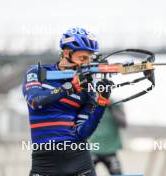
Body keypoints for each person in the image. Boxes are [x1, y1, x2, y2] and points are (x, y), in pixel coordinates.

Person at [22, 27, 113, 176]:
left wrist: (101, 103)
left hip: (79, 160)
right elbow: (35, 101)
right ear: (66, 53)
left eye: (89, 59)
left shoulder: (87, 89)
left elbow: (83, 133)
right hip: (45, 162)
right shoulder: (37, 72)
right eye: (82, 58)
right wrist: (70, 87)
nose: (86, 63)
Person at [89, 99, 127, 175]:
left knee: (117, 174)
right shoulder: (89, 101)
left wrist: (112, 107)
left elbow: (123, 124)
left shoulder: (116, 103)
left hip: (110, 149)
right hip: (92, 148)